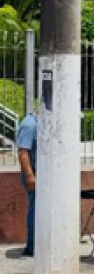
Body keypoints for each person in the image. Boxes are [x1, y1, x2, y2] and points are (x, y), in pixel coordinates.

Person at [17, 108, 37, 257]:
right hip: (34, 175)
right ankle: (32, 246)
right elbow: (23, 152)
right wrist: (30, 176)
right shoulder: (29, 125)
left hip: (42, 175)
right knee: (35, 210)